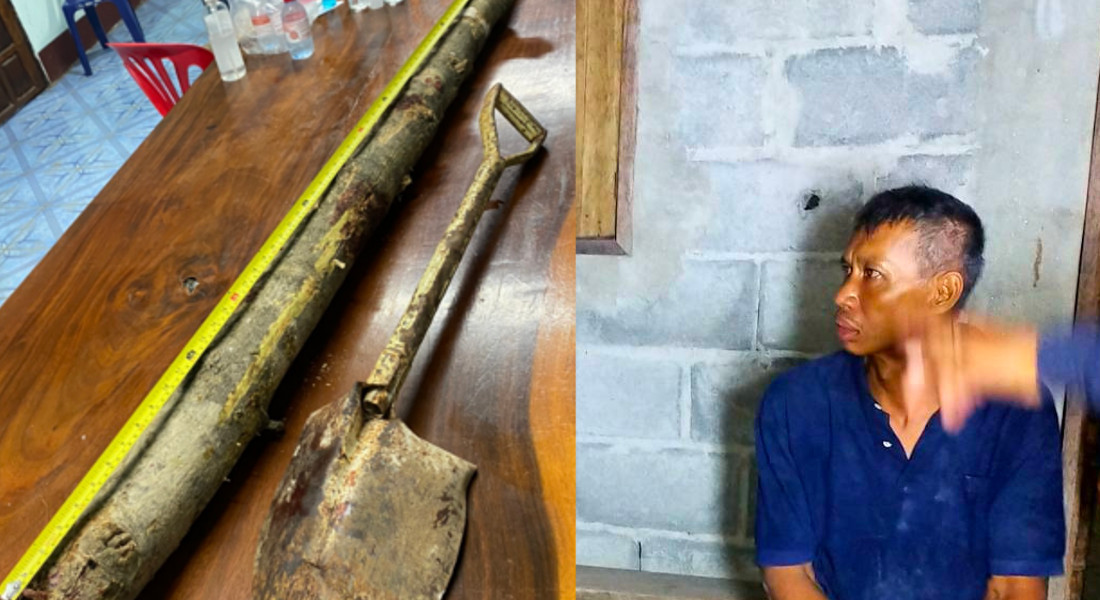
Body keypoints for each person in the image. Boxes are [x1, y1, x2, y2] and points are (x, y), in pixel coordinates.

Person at [754, 186, 1065, 600]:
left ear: (942, 293)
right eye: (847, 270)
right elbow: (788, 575)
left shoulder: (1017, 409)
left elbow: (1016, 587)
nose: (842, 295)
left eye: (872, 275)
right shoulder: (796, 403)